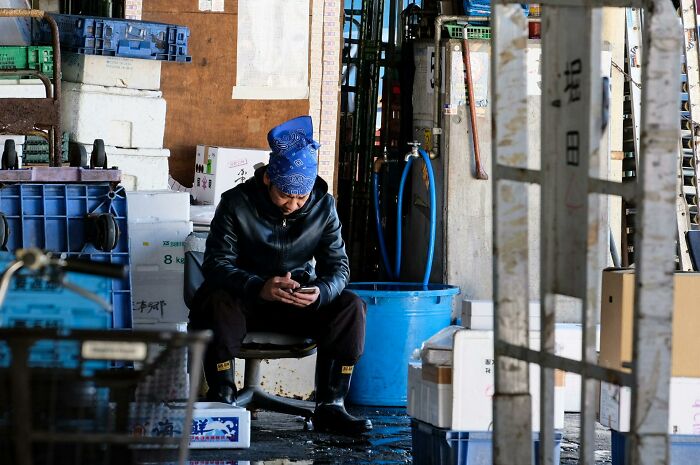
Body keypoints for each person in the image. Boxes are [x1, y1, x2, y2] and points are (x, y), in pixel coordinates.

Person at [189, 116, 372, 435]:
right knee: (215, 301)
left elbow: (338, 269)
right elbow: (217, 264)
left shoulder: (323, 207)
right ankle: (223, 395)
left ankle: (331, 404)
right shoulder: (235, 203)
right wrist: (259, 286)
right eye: (286, 195)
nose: (293, 204)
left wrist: (321, 292)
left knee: (350, 307)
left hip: (297, 303)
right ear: (268, 181)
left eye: (301, 198)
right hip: (244, 301)